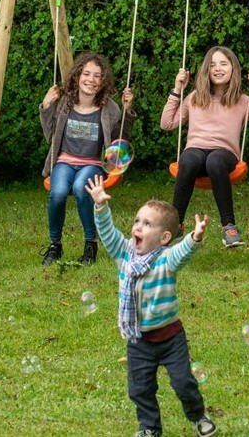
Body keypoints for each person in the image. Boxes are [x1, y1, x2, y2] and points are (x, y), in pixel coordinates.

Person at [85, 175, 217, 437]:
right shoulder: (124, 254)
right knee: (140, 389)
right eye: (137, 221)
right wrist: (100, 205)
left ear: (164, 237)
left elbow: (181, 251)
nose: (138, 227)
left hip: (170, 338)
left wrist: (194, 237)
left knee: (183, 383)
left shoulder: (166, 260)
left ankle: (198, 416)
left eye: (147, 224)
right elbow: (108, 233)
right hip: (139, 340)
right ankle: (149, 428)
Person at [160, 46, 249, 248]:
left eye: (223, 64)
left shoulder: (242, 100)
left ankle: (229, 226)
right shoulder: (195, 97)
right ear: (206, 70)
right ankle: (176, 224)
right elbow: (167, 123)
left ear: (233, 69)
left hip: (224, 155)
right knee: (188, 159)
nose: (218, 68)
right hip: (196, 152)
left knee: (215, 160)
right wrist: (177, 90)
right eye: (213, 64)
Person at [39, 51, 134, 266]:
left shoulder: (109, 108)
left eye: (97, 76)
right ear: (77, 76)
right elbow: (50, 134)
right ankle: (55, 245)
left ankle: (90, 243)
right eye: (87, 74)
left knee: (82, 188)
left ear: (103, 81)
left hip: (92, 164)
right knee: (57, 193)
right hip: (65, 161)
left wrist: (127, 111)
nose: (91, 80)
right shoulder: (65, 104)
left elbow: (120, 139)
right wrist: (46, 106)